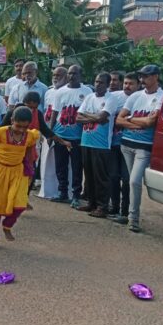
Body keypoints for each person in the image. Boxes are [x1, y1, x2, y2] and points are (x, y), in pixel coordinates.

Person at [0, 106, 40, 250]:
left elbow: (29, 154)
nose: (21, 130)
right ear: (11, 120)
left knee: (20, 204)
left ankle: (7, 225)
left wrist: (30, 171)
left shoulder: (30, 136)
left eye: (25, 127)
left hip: (17, 171)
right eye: (18, 126)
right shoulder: (1, 132)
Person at [115, 65, 163, 232]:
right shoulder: (136, 95)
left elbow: (150, 123)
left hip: (144, 146)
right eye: (142, 76)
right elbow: (118, 120)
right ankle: (129, 214)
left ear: (156, 77)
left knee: (135, 181)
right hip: (126, 143)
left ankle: (133, 218)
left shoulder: (161, 96)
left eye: (147, 76)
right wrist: (137, 120)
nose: (143, 79)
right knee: (130, 181)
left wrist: (130, 119)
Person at [76, 73, 121, 218]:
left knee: (101, 176)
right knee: (88, 175)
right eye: (96, 82)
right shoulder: (89, 97)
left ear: (107, 85)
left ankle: (102, 206)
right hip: (86, 141)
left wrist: (91, 116)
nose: (98, 85)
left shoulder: (111, 99)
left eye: (101, 82)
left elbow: (103, 117)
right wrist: (95, 117)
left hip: (101, 144)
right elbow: (77, 117)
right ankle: (92, 203)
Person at [49, 65, 92, 207]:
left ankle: (75, 195)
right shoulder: (60, 92)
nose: (71, 76)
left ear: (81, 75)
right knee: (60, 166)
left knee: (76, 167)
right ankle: (62, 192)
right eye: (69, 73)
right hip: (60, 134)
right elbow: (55, 113)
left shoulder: (87, 92)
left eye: (74, 73)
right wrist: (50, 133)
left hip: (78, 137)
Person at [107, 72, 139, 224]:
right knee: (113, 176)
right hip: (114, 143)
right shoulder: (115, 97)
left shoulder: (140, 99)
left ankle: (125, 211)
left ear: (138, 85)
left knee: (127, 179)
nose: (127, 86)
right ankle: (114, 206)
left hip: (130, 144)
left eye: (131, 83)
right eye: (125, 83)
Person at [38, 66, 68, 200]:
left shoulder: (66, 91)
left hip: (59, 132)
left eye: (59, 76)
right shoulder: (49, 91)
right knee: (46, 161)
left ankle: (62, 191)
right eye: (54, 75)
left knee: (61, 164)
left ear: (66, 77)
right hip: (46, 129)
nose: (56, 78)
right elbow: (46, 112)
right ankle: (46, 190)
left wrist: (51, 133)